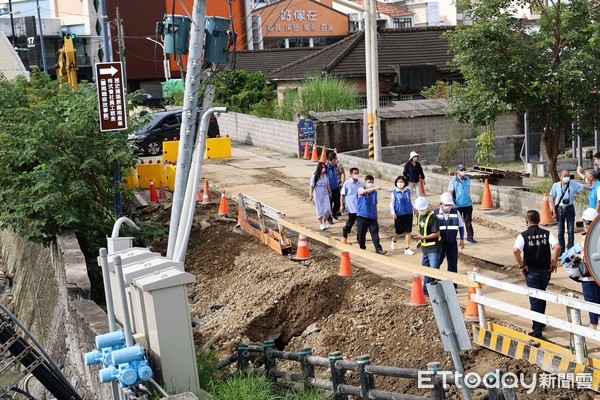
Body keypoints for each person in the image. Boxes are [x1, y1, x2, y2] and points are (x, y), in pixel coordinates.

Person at [513, 210, 560, 339]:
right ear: (539, 220)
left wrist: (521, 265)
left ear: (526, 221)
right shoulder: (547, 233)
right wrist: (554, 262)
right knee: (542, 294)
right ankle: (541, 321)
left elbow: (516, 250)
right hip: (545, 271)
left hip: (531, 271)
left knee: (534, 299)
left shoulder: (523, 235)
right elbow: (557, 247)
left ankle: (537, 330)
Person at [561, 208, 600, 329]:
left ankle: (593, 326)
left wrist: (575, 256)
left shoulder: (586, 239)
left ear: (587, 223)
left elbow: (585, 257)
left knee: (591, 301)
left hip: (589, 276)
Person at [549, 170, 585, 252]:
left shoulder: (573, 184)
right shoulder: (556, 185)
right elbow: (551, 197)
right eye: (564, 176)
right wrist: (553, 210)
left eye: (568, 176)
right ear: (561, 177)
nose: (566, 177)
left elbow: (584, 187)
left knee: (570, 231)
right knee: (560, 232)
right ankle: (561, 249)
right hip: (560, 209)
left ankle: (570, 249)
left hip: (570, 209)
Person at [434, 193, 465, 287]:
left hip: (452, 243)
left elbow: (461, 226)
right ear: (441, 204)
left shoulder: (456, 213)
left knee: (452, 265)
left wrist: (462, 239)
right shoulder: (434, 214)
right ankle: (434, 282)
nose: (448, 207)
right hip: (440, 244)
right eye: (446, 205)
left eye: (450, 205)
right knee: (436, 263)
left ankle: (453, 286)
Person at [414, 197, 442, 295]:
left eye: (422, 209)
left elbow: (437, 234)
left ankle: (437, 289)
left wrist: (423, 238)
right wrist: (420, 241)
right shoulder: (419, 216)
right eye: (419, 210)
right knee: (426, 268)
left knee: (433, 269)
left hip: (434, 248)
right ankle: (426, 288)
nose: (421, 211)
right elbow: (422, 231)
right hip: (425, 248)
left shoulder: (433, 218)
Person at [357, 175, 387, 255]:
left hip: (372, 217)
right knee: (361, 234)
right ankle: (362, 247)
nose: (370, 183)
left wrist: (376, 213)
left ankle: (378, 249)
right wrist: (375, 188)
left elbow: (375, 204)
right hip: (362, 216)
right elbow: (364, 192)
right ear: (365, 182)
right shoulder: (360, 189)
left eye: (372, 182)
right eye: (369, 182)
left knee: (375, 233)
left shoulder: (374, 193)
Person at [448, 164, 476, 243]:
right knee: (456, 222)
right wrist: (451, 203)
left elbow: (468, 190)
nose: (463, 171)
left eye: (464, 170)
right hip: (457, 205)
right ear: (457, 171)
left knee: (468, 222)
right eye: (461, 170)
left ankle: (470, 237)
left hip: (467, 204)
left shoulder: (467, 179)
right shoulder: (453, 181)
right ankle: (453, 238)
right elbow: (451, 192)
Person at [389, 175, 415, 254]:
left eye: (402, 182)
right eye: (398, 182)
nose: (400, 183)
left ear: (405, 182)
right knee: (399, 231)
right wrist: (393, 212)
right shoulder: (394, 192)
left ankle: (407, 248)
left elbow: (411, 201)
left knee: (408, 231)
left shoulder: (408, 191)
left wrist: (415, 208)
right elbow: (391, 204)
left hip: (408, 213)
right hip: (399, 213)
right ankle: (394, 240)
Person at [309, 162, 332, 230]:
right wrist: (311, 194)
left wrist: (330, 192)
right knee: (320, 208)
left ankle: (326, 220)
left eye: (324, 167)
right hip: (318, 193)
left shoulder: (325, 175)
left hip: (325, 192)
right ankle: (321, 223)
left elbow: (328, 184)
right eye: (322, 167)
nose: (323, 169)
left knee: (328, 208)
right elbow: (312, 186)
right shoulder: (315, 176)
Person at [340, 167, 361, 241]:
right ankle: (345, 232)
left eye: (357, 173)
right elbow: (342, 194)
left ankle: (359, 239)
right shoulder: (347, 183)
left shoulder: (360, 184)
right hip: (351, 208)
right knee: (350, 222)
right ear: (351, 174)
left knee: (360, 225)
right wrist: (342, 205)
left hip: (359, 208)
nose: (357, 175)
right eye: (355, 173)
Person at [325, 152, 341, 223]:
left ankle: (334, 213)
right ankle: (329, 219)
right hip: (329, 189)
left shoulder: (334, 166)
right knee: (329, 204)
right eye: (335, 159)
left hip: (336, 187)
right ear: (331, 160)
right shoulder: (325, 167)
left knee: (338, 202)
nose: (336, 160)